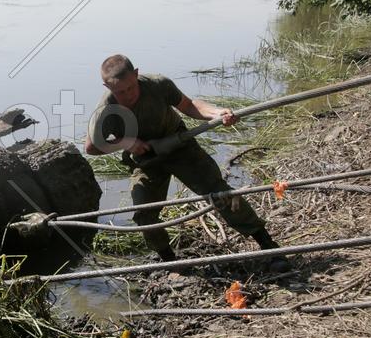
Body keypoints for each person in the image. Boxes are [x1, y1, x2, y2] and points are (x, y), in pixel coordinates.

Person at [85, 54, 289, 272]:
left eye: (130, 88)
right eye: (119, 92)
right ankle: (171, 262)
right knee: (144, 212)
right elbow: (91, 147)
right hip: (147, 161)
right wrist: (125, 143)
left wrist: (217, 113)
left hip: (180, 147)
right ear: (107, 86)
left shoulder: (157, 84)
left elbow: (189, 105)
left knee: (219, 194)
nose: (127, 96)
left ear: (136, 74)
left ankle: (269, 246)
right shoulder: (106, 109)